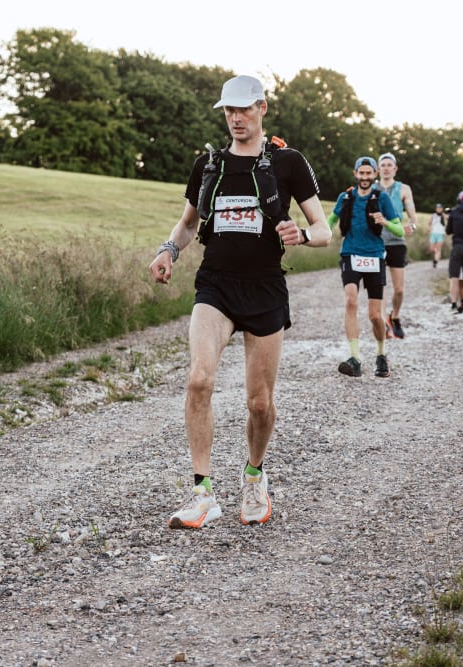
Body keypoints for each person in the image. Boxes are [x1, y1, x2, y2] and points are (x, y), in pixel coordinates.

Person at [149, 74, 332, 529]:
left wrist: (302, 234)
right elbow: (188, 224)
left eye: (244, 109)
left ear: (261, 108)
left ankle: (254, 477)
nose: (236, 118)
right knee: (198, 380)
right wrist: (168, 251)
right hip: (216, 286)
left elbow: (323, 230)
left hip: (265, 287)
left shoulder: (288, 163)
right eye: (229, 110)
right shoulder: (208, 165)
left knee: (259, 403)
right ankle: (202, 493)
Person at [327, 156, 404, 378]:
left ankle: (381, 354)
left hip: (374, 256)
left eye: (369, 173)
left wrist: (385, 222)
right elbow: (330, 220)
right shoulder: (345, 197)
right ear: (355, 174)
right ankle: (355, 358)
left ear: (374, 175)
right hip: (350, 253)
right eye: (361, 173)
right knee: (351, 301)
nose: (365, 177)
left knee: (374, 315)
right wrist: (322, 232)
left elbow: (399, 230)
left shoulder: (382, 198)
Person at [376, 152, 417, 339]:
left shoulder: (403, 189)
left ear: (395, 168)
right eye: (383, 165)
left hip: (396, 242)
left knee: (399, 289)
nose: (386, 168)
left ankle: (395, 316)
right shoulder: (372, 188)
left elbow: (412, 217)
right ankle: (384, 322)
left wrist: (411, 226)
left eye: (389, 165)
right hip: (376, 242)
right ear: (378, 169)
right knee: (380, 285)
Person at [428, 203, 446, 269]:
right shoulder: (433, 215)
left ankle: (435, 261)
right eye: (438, 208)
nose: (439, 209)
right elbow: (429, 223)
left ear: (442, 209)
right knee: (431, 248)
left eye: (440, 208)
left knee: (438, 248)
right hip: (433, 233)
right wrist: (429, 229)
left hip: (440, 233)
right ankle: (438, 254)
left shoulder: (443, 215)